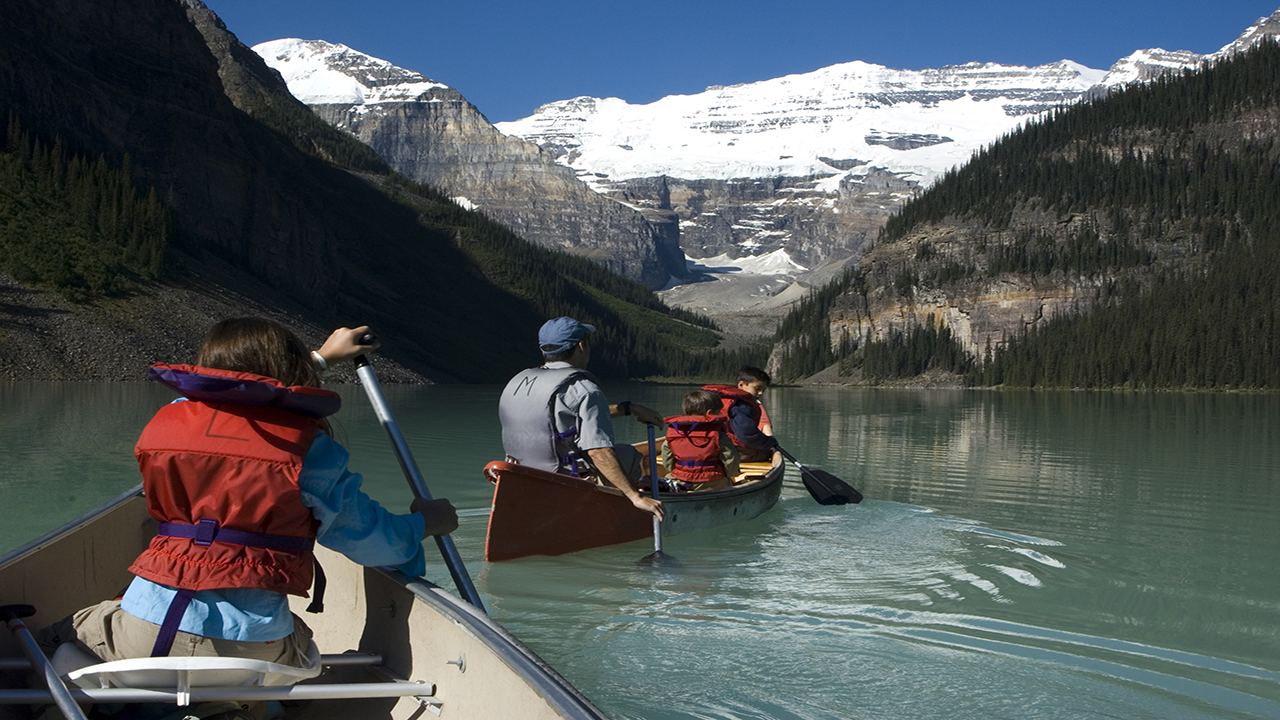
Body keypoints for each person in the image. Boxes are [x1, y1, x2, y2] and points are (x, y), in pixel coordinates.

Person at [39, 318, 459, 677]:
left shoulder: (171, 422)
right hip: (253, 653)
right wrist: (426, 523)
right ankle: (237, 706)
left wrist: (321, 358)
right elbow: (374, 542)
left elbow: (222, 397)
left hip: (144, 636)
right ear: (291, 372)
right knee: (296, 641)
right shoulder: (313, 452)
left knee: (61, 633)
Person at [498, 317, 665, 520]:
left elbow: (564, 416)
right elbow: (598, 450)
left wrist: (628, 409)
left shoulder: (519, 382)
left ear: (545, 350)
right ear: (581, 345)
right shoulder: (584, 390)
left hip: (521, 475)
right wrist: (635, 496)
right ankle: (614, 516)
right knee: (629, 454)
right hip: (565, 479)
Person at [661, 389, 740, 492]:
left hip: (681, 480)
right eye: (718, 412)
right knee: (729, 482)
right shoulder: (718, 435)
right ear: (710, 413)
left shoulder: (676, 432)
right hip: (711, 482)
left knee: (668, 478)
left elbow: (667, 457)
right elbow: (730, 458)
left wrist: (679, 471)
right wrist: (732, 474)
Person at [703, 365, 777, 463]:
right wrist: (770, 442)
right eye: (757, 388)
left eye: (763, 390)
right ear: (741, 385)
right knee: (767, 453)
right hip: (735, 452)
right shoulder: (742, 406)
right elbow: (746, 435)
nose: (760, 393)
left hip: (711, 448)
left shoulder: (719, 400)